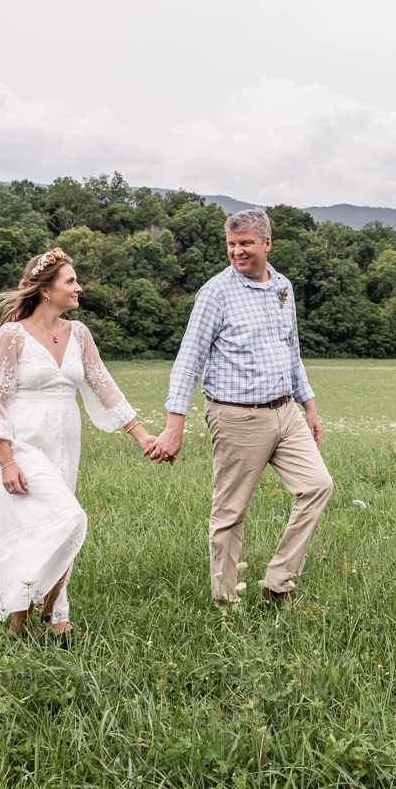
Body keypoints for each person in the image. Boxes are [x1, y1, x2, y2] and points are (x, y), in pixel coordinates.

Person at [0, 248, 156, 643]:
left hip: (65, 437)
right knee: (68, 517)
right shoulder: (12, 336)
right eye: (71, 281)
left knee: (53, 527)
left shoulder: (79, 333)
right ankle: (30, 613)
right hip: (23, 441)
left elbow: (103, 385)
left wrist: (140, 433)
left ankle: (51, 614)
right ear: (46, 290)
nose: (79, 287)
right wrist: (6, 460)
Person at [151, 209, 332, 610]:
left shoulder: (283, 287)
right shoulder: (215, 293)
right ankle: (226, 602)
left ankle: (279, 582)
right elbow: (189, 359)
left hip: (286, 412)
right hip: (237, 416)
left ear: (267, 243)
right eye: (232, 245)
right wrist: (173, 424)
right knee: (230, 512)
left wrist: (309, 405)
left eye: (246, 243)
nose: (237, 251)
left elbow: (292, 349)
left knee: (318, 486)